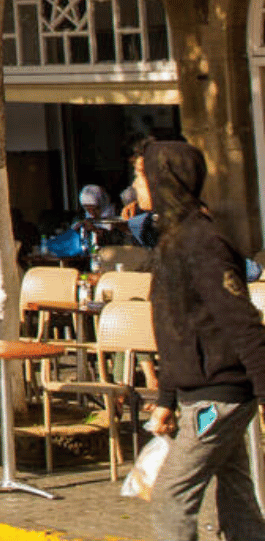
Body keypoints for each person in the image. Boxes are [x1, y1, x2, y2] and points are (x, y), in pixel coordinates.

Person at [144, 139, 265, 541]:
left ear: (165, 183)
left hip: (220, 395)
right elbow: (179, 331)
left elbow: (242, 321)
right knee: (236, 493)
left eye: (141, 177)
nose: (135, 188)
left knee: (170, 496)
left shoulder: (202, 242)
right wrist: (166, 400)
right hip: (201, 392)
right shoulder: (173, 241)